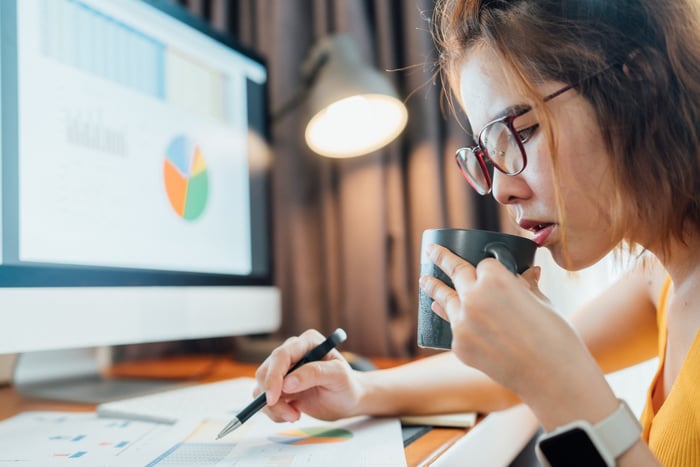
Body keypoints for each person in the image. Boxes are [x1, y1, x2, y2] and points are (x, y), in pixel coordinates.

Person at [254, 1, 700, 465]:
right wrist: (360, 389)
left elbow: (549, 370)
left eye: (521, 131)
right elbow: (498, 379)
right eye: (489, 154)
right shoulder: (662, 277)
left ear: (639, 82)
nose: (502, 190)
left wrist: (554, 379)